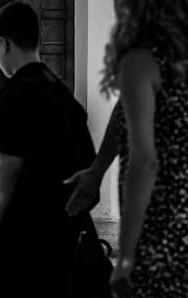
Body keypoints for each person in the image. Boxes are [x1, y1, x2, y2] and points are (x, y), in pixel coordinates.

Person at [0, 2, 98, 297]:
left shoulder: (17, 90)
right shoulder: (61, 92)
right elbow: (68, 162)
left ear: (3, 43)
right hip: (61, 237)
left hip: (23, 238)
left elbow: (10, 168)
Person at [98, 1, 188, 297]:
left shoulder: (141, 61)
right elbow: (124, 112)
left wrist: (126, 255)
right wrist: (96, 170)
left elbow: (145, 161)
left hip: (162, 222)